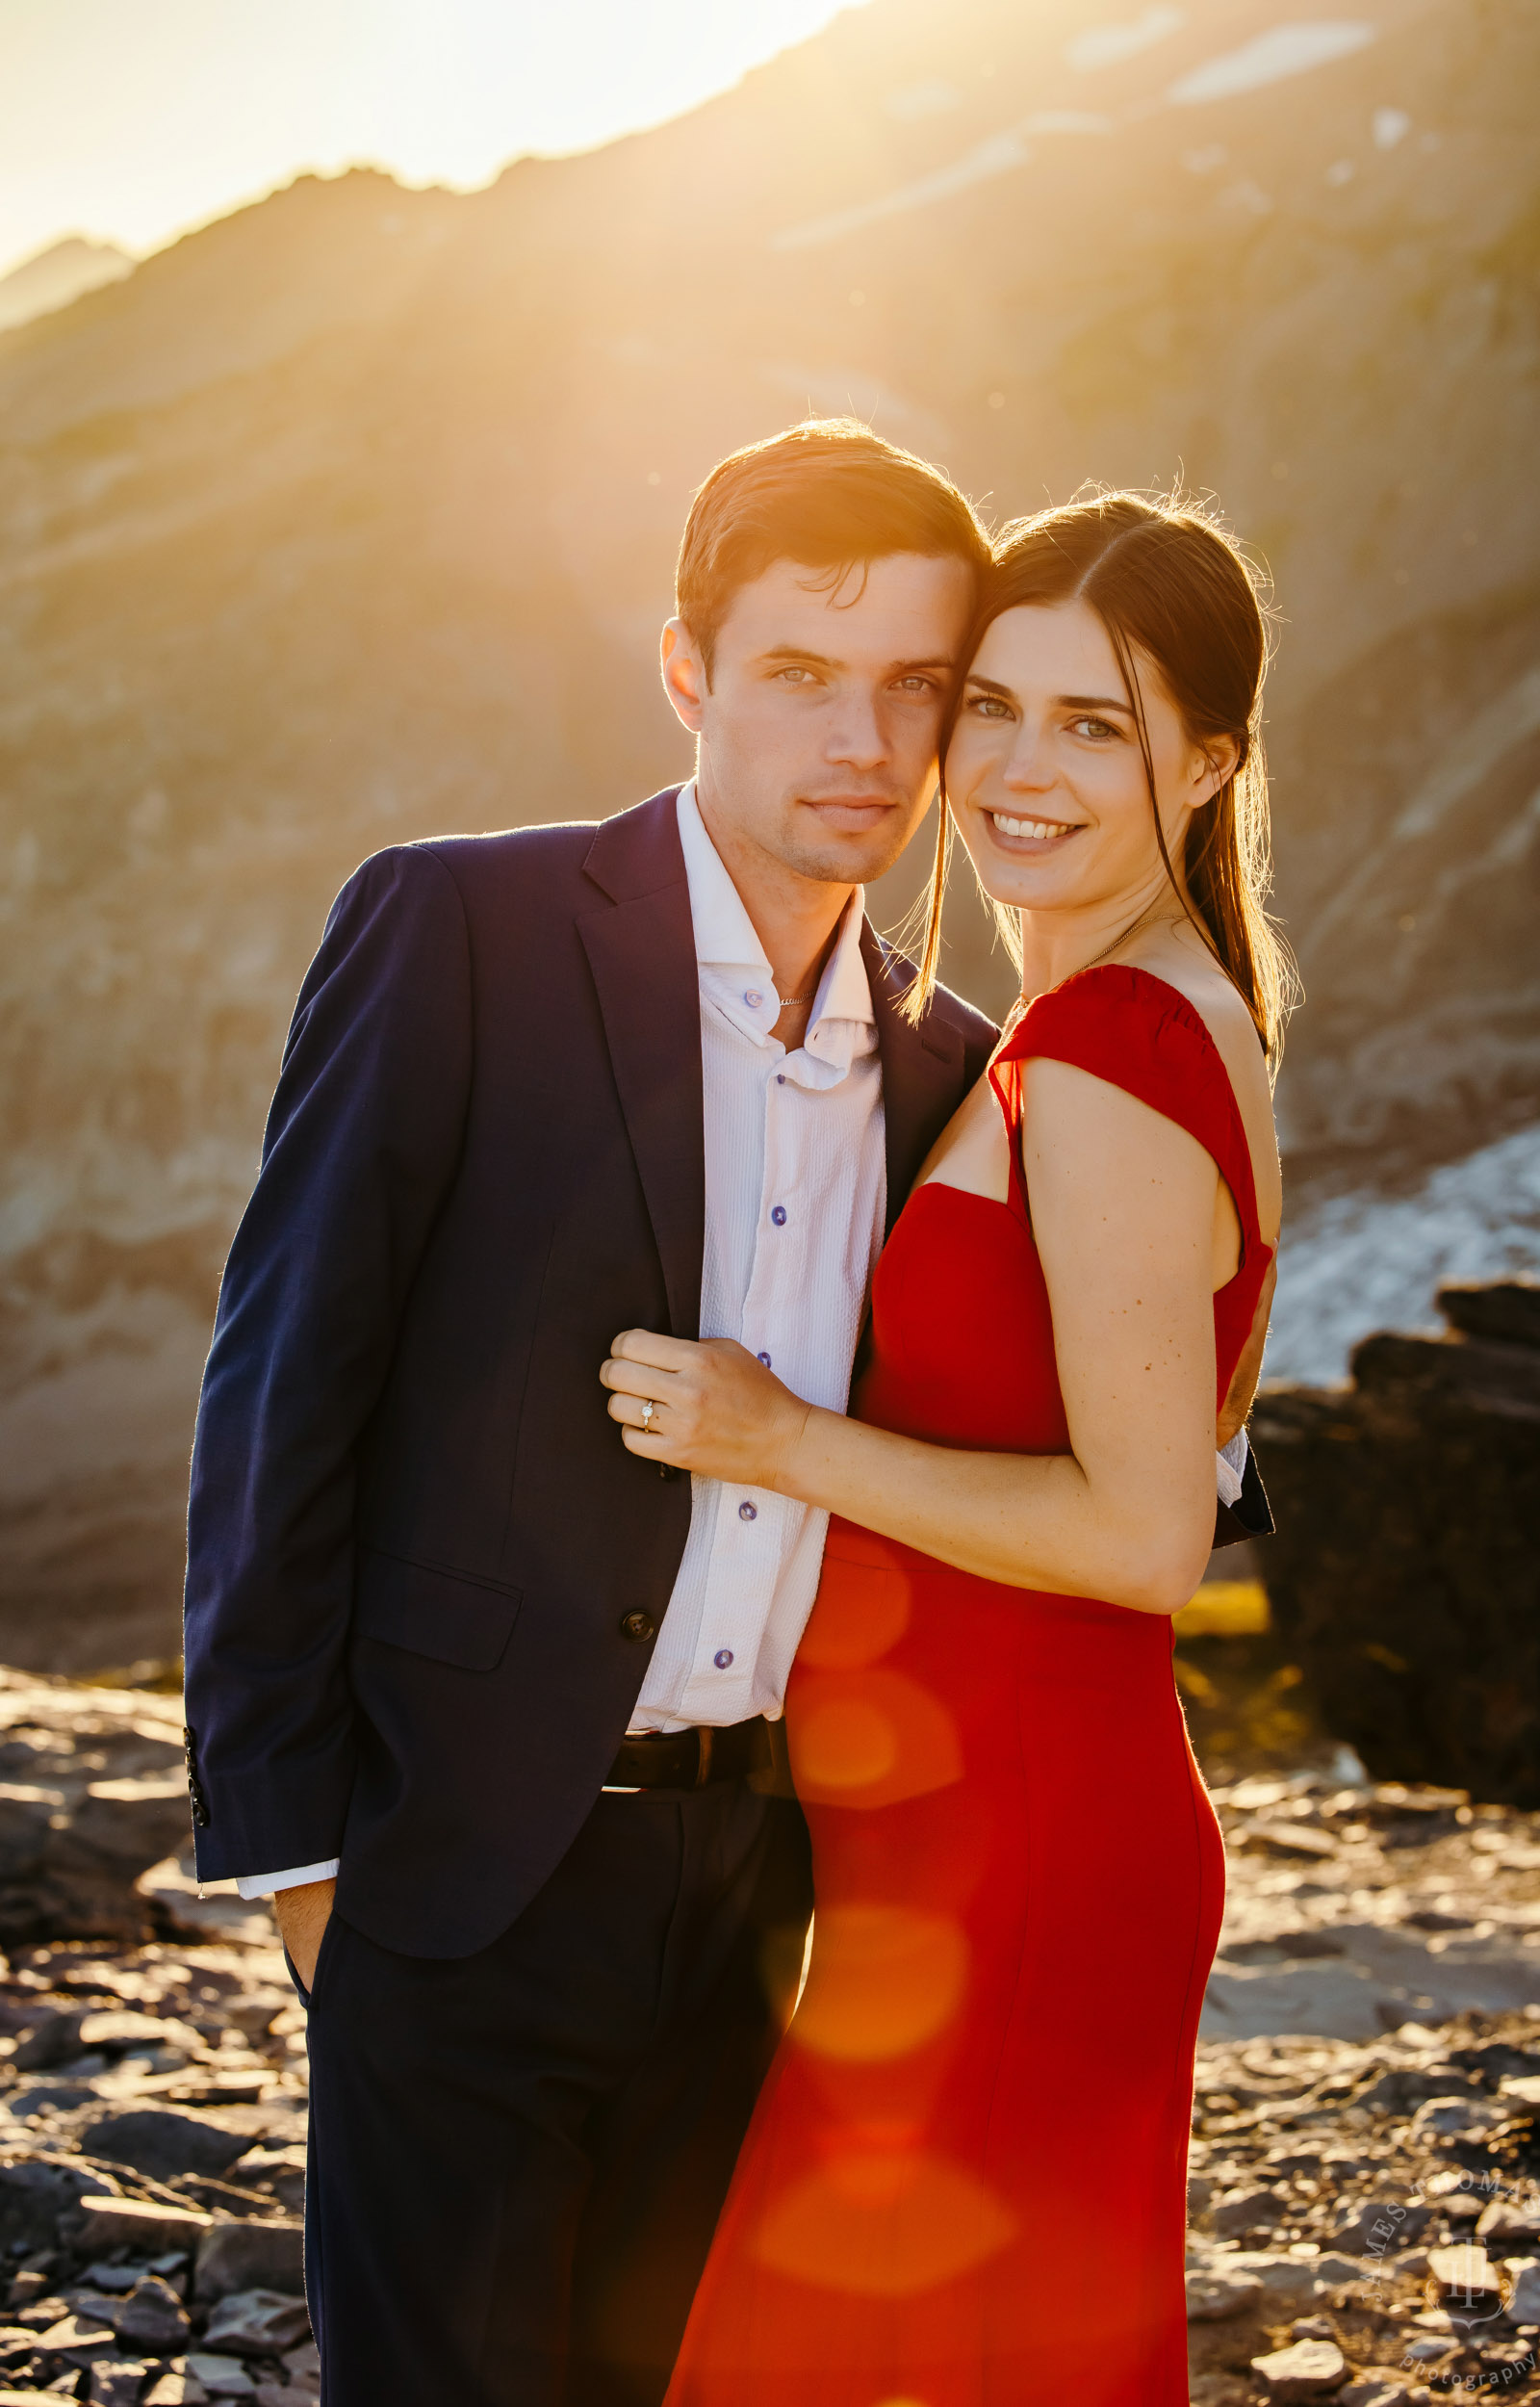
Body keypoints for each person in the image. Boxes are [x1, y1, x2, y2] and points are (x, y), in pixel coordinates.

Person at [180, 418, 1000, 2406]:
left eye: (916, 686)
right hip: (458, 1867)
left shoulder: (948, 1063)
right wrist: (301, 1864)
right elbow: (287, 1382)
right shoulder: (460, 927)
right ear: (689, 673)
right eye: (803, 672)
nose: (864, 740)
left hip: (757, 1900)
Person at [600, 489, 1287, 2406]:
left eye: (1100, 722)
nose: (1017, 767)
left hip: (1028, 1859)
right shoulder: (1084, 1019)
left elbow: (1154, 1534)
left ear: (1212, 761)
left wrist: (777, 1438)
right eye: (994, 704)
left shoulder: (1115, 1054)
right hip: (958, 1851)